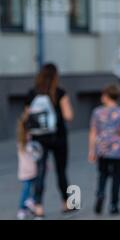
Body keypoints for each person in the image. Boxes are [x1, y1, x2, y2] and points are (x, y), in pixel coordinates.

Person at [25, 63, 74, 218]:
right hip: (58, 137)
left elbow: (27, 119)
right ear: (55, 77)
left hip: (38, 139)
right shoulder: (59, 92)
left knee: (39, 172)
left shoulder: (32, 93)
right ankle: (67, 203)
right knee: (61, 171)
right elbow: (68, 116)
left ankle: (38, 206)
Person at [88, 83, 120, 215]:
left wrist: (92, 151)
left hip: (102, 150)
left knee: (102, 175)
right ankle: (114, 204)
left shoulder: (97, 112)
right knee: (116, 178)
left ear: (107, 96)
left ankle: (100, 194)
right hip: (118, 151)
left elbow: (93, 132)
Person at [16, 111, 37, 220]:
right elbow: (35, 152)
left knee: (29, 189)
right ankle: (25, 207)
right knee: (29, 189)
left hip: (26, 169)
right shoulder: (26, 138)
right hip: (30, 168)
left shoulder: (21, 138)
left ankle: (25, 208)